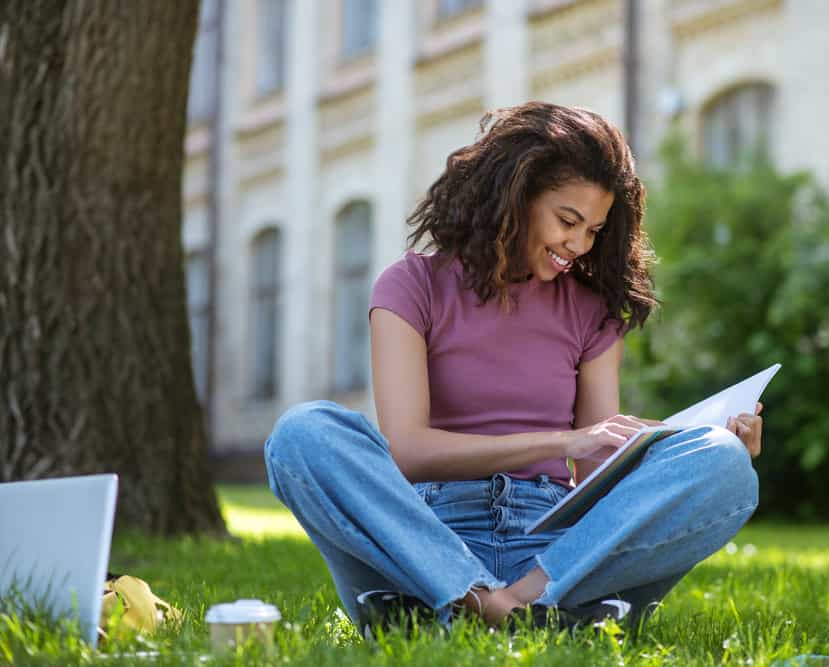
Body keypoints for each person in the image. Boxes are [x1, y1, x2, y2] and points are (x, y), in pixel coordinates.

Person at [264, 102, 762, 634]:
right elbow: (408, 451)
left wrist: (688, 441)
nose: (579, 244)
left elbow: (596, 475)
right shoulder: (411, 286)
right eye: (567, 220)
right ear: (514, 196)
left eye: (594, 229)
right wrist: (557, 442)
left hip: (554, 550)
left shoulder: (590, 310)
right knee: (303, 433)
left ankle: (502, 605)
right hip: (426, 537)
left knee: (726, 462)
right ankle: (503, 605)